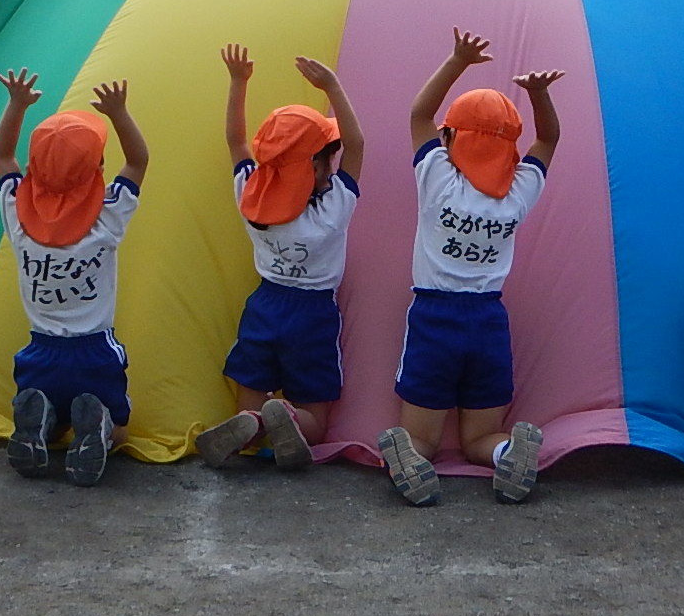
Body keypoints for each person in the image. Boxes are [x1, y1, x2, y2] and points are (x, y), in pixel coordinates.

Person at [375, 29, 563, 507]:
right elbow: (548, 138)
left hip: (434, 318)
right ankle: (505, 452)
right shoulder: (517, 194)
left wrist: (457, 60)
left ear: (450, 137)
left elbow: (418, 112)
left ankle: (410, 458)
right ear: (507, 148)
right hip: (488, 322)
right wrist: (539, 94)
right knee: (482, 434)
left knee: (422, 436)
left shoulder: (437, 179)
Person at [196, 46, 364, 471]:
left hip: (265, 306)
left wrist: (239, 82)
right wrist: (332, 86)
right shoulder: (332, 211)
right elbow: (358, 144)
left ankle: (253, 422)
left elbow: (235, 140)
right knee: (317, 421)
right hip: (313, 314)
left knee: (248, 396)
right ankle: (288, 418)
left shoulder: (251, 198)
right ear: (317, 164)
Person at [0, 70, 150, 486]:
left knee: (59, 418)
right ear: (97, 167)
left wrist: (17, 105)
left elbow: (2, 157)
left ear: (34, 166)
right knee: (120, 429)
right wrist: (118, 113)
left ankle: (41, 421)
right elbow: (138, 161)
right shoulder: (106, 217)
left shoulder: (18, 217)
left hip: (38, 352)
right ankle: (97, 430)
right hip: (94, 351)